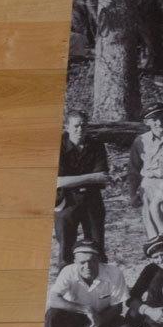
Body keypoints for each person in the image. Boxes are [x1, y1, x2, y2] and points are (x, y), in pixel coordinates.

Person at [42, 242, 135, 327]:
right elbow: (53, 299)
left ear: (99, 260)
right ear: (75, 262)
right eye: (82, 262)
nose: (87, 266)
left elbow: (117, 308)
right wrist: (86, 309)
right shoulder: (68, 271)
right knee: (52, 314)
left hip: (104, 318)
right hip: (76, 319)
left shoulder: (114, 272)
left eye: (92, 261)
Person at [54, 110, 109, 264]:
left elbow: (103, 177)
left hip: (92, 199)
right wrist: (92, 177)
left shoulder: (96, 145)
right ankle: (66, 276)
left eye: (83, 126)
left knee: (97, 245)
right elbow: (58, 182)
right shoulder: (58, 147)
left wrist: (72, 180)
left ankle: (100, 275)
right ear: (67, 127)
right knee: (66, 247)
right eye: (76, 126)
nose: (80, 129)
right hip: (66, 201)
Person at [127, 102, 163, 239]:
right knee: (154, 229)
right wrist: (132, 193)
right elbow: (133, 168)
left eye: (162, 118)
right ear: (147, 122)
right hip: (150, 187)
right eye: (154, 119)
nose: (159, 123)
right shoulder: (141, 141)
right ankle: (158, 251)